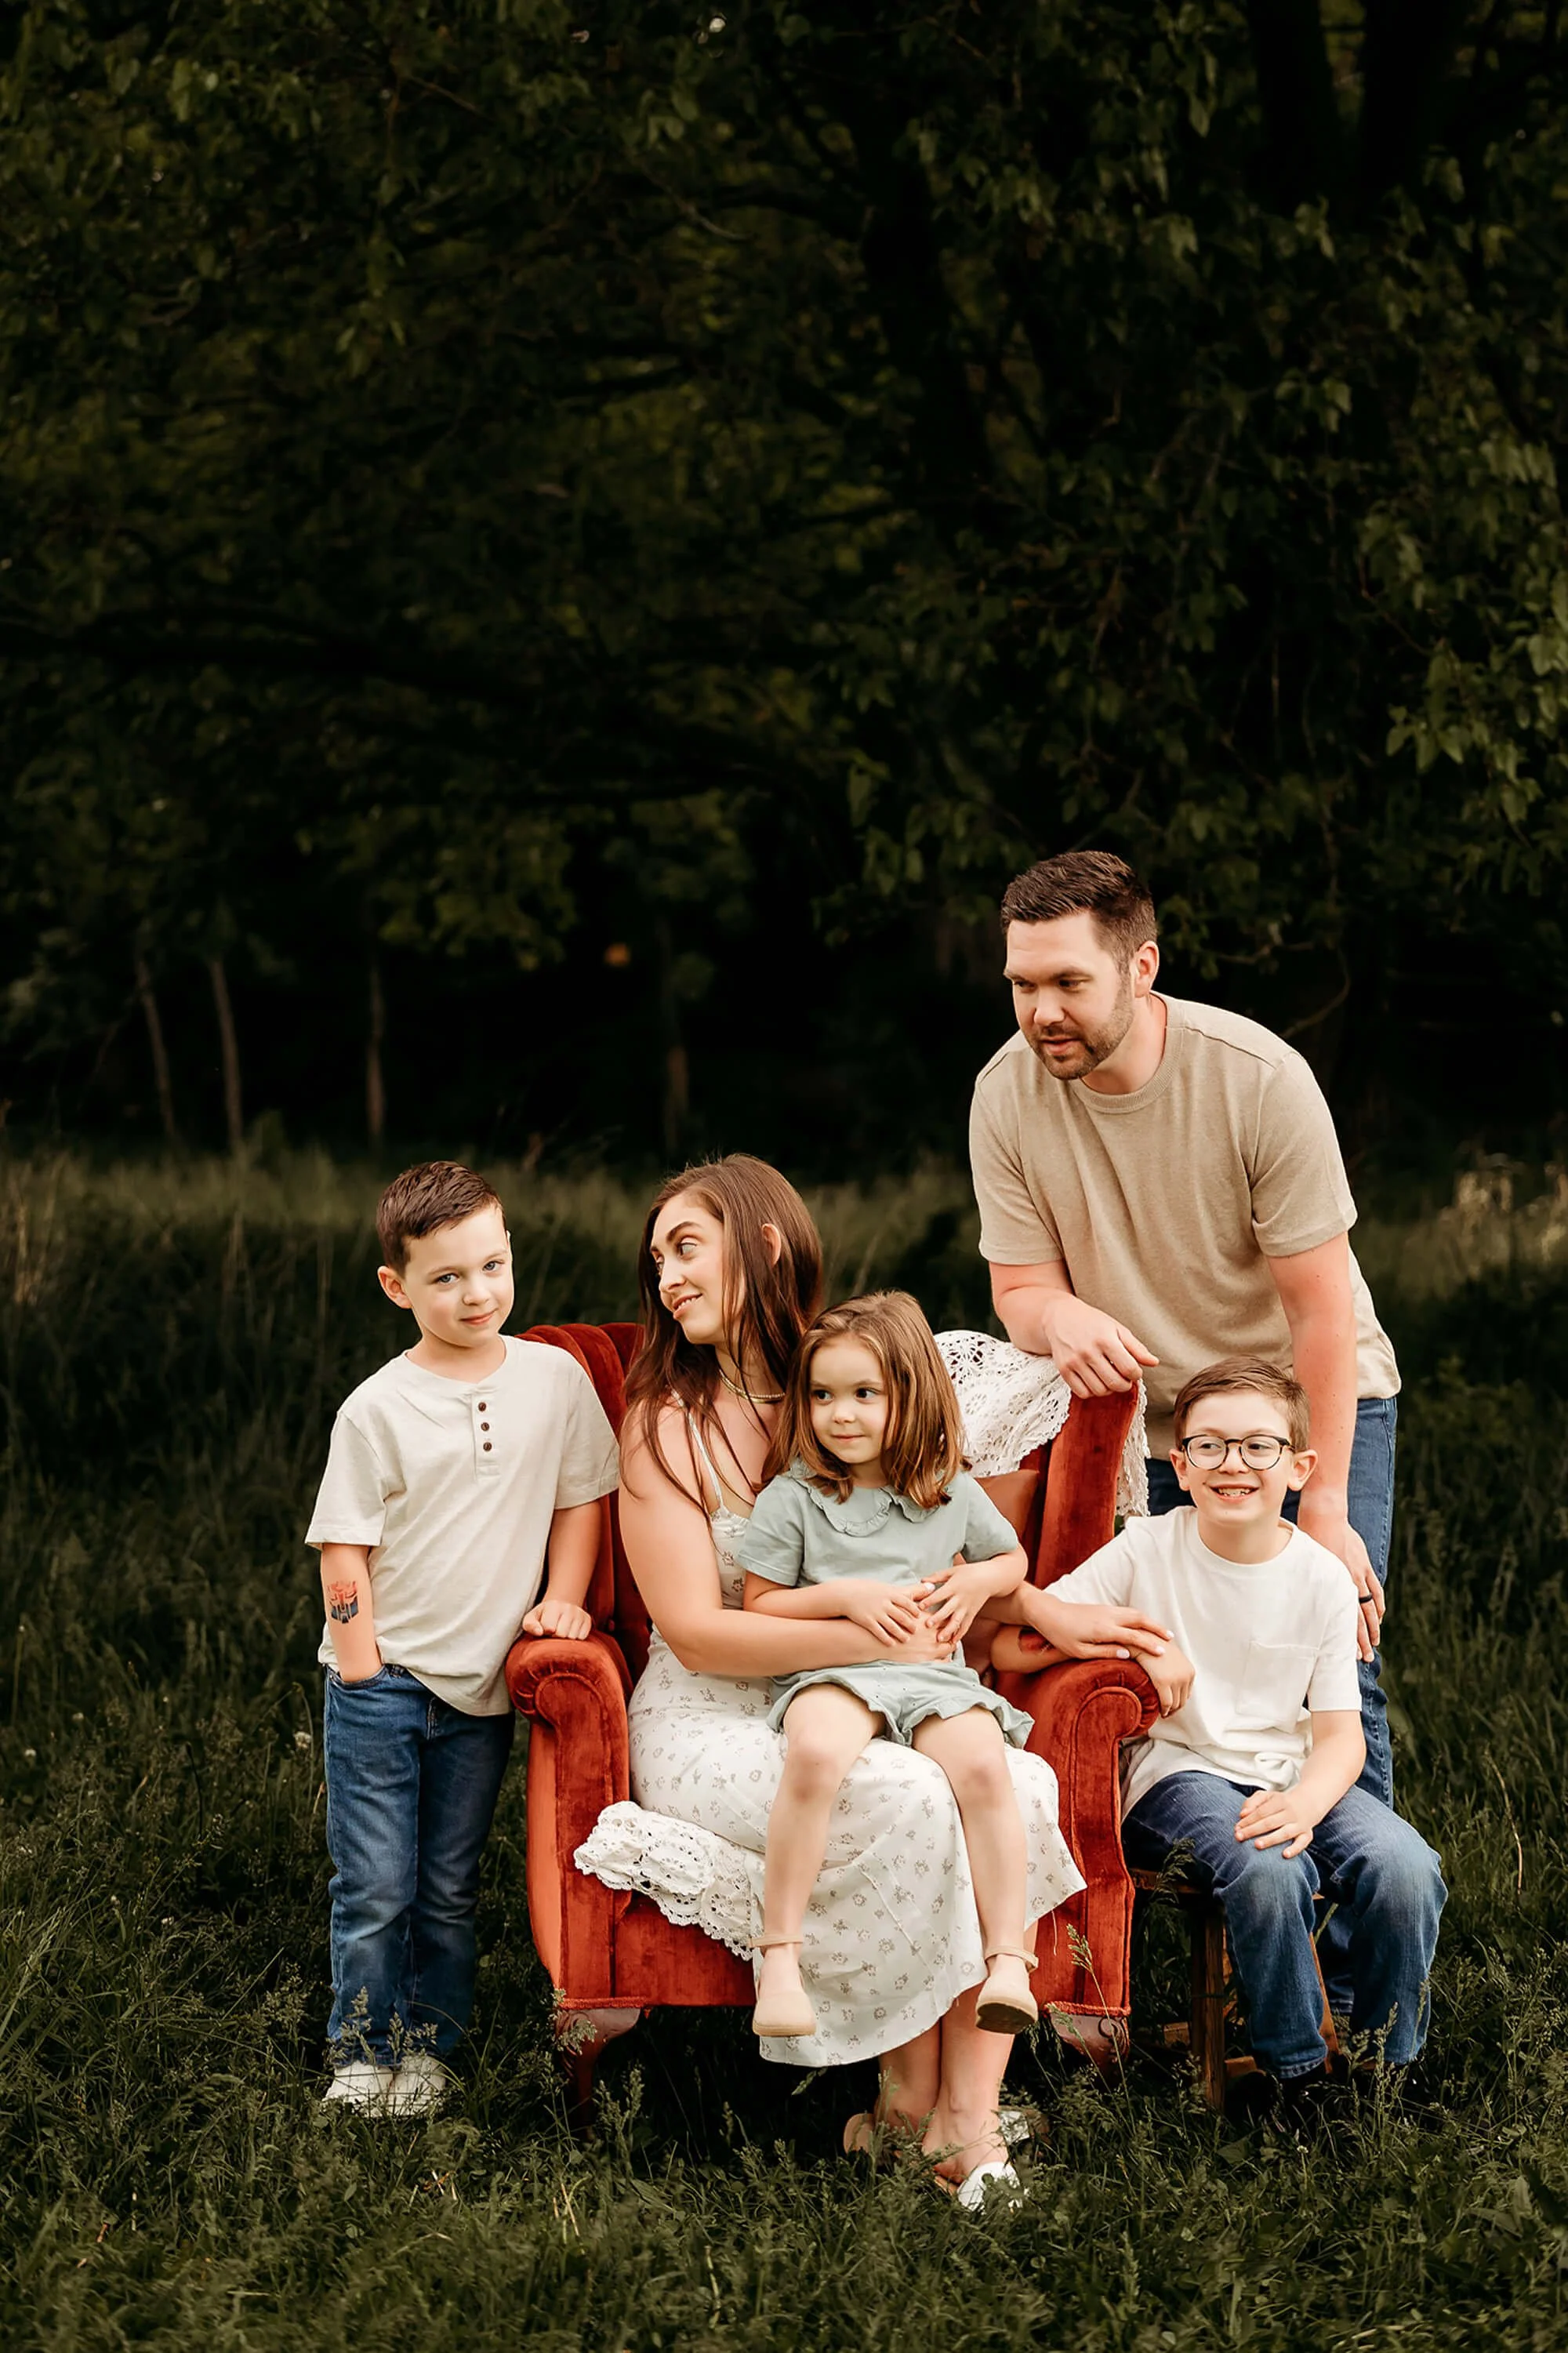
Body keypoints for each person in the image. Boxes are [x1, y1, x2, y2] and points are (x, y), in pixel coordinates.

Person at [574, 1157, 1083, 2206]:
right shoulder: (665, 1423)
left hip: (886, 1689)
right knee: (901, 1794)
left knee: (1015, 1781)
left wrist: (1023, 1603)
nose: (666, 1277)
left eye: (687, 1246)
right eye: (656, 1259)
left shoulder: (848, 1378)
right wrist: (868, 1634)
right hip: (716, 1709)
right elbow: (698, 1635)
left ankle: (962, 2117)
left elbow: (943, 1517)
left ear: (764, 1245)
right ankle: (904, 2102)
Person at [969, 851, 1401, 2006]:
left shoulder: (1256, 1079)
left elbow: (1320, 1314)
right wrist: (1060, 1317)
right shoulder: (1006, 1090)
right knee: (1163, 1677)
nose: (1040, 1012)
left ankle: (1355, 1992)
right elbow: (1020, 1290)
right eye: (1021, 985)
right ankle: (1207, 1959)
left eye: (1067, 982)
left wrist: (1323, 1504)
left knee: (1332, 1661)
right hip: (1145, 1426)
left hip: (1295, 1408)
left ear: (1141, 966)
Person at [993, 1359, 1445, 2099]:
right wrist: (1133, 1642)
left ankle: (1385, 2070)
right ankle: (1298, 2076)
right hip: (1177, 1774)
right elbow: (1012, 1641)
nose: (1233, 1463)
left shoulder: (1322, 1578)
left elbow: (1341, 1737)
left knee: (1406, 1867)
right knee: (1269, 1867)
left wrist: (1303, 1803)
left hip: (1289, 1776)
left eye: (1258, 1446)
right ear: (1180, 1464)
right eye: (1210, 1445)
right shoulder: (1146, 1549)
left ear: (1299, 1467)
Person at [306, 1160, 619, 2116]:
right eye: (445, 1277)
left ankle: (430, 2047)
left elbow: (580, 1499)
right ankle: (362, 2050)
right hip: (385, 1679)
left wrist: (563, 1598)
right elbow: (344, 1548)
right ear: (397, 1286)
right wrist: (361, 1669)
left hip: (479, 1688)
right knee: (375, 1884)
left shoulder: (553, 1379)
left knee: (446, 1882)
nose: (476, 1292)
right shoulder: (377, 1407)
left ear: (509, 1252)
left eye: (490, 1266)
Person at [740, 1293, 1061, 2043]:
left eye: (864, 1393)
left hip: (931, 1674)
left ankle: (1007, 1960)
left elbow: (1010, 1559)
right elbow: (761, 1603)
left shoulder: (948, 1490)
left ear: (910, 1396)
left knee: (984, 1767)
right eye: (822, 1395)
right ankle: (780, 1956)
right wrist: (843, 1596)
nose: (840, 1414)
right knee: (817, 1753)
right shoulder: (796, 1496)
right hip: (836, 1669)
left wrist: (979, 1581)